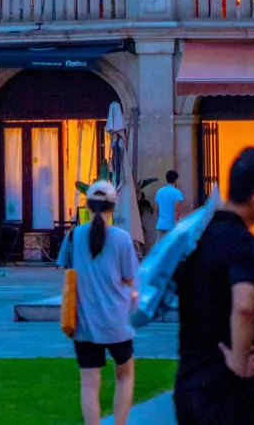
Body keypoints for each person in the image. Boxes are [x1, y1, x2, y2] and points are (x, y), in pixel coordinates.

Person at [173, 146, 254, 425]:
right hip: (226, 390)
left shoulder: (198, 233)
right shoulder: (240, 241)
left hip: (189, 380)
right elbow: (245, 304)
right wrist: (238, 358)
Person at [57, 179, 137, 425]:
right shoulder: (122, 239)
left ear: (87, 206)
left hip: (84, 323)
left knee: (89, 384)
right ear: (113, 207)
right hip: (118, 321)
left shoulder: (72, 238)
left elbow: (66, 273)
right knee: (125, 376)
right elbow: (130, 279)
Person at [154, 170, 184, 240]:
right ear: (176, 180)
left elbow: (156, 209)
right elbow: (176, 210)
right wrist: (176, 224)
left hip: (160, 225)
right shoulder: (177, 193)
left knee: (160, 249)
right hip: (172, 227)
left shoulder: (159, 191)